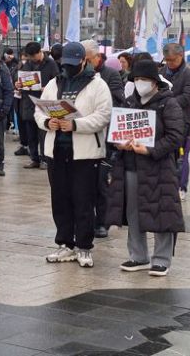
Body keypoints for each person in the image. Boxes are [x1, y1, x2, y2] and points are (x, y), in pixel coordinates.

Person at [35, 42, 112, 268]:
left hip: (86, 154)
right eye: (64, 64)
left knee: (84, 200)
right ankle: (65, 243)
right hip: (57, 150)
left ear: (84, 61)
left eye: (72, 64)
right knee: (60, 199)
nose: (68, 68)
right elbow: (39, 109)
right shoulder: (54, 82)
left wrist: (76, 125)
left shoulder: (98, 85)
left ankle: (84, 246)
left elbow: (103, 115)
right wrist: (49, 122)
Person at [105, 59, 185, 276]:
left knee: (162, 211)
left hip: (159, 167)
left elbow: (176, 136)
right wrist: (118, 142)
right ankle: (138, 255)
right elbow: (115, 131)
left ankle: (162, 259)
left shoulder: (167, 103)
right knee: (132, 212)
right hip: (129, 165)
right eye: (137, 79)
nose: (140, 83)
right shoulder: (129, 103)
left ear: (155, 82)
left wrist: (150, 149)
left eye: (145, 79)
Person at [81, 39, 125, 239]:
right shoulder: (79, 75)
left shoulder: (111, 75)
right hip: (83, 134)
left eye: (88, 59)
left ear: (97, 57)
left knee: (101, 183)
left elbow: (117, 101)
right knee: (85, 184)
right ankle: (86, 220)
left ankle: (103, 222)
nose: (85, 62)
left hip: (105, 135)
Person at [160, 43, 190, 200]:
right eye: (167, 60)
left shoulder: (189, 75)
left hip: (183, 124)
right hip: (163, 123)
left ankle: (181, 186)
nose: (169, 63)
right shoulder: (161, 72)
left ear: (180, 56)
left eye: (172, 60)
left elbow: (189, 97)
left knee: (181, 158)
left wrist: (167, 103)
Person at [16, 41, 59, 169]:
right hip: (29, 103)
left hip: (44, 103)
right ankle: (34, 158)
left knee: (44, 134)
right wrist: (18, 84)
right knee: (31, 135)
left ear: (40, 52)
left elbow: (58, 81)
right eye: (30, 57)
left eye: (33, 56)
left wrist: (47, 88)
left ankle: (45, 159)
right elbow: (20, 78)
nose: (32, 59)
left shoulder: (51, 64)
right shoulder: (27, 64)